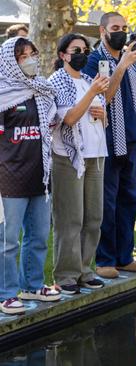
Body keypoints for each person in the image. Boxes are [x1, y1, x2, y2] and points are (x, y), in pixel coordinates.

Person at [82, 12, 136, 279]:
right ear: (102, 31)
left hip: (131, 138)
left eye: (124, 27)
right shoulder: (94, 61)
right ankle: (105, 258)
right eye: (115, 28)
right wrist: (120, 66)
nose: (121, 32)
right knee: (106, 203)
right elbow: (101, 100)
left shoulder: (133, 61)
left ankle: (125, 255)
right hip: (106, 141)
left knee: (130, 200)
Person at [0, 37, 62, 315]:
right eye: (22, 55)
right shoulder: (3, 94)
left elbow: (52, 123)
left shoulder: (43, 89)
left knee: (38, 236)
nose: (30, 59)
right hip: (9, 178)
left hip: (40, 175)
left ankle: (33, 285)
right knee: (8, 241)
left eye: (32, 53)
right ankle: (6, 293)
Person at [48, 33, 110, 295]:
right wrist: (93, 95)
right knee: (70, 218)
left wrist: (102, 112)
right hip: (68, 156)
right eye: (76, 49)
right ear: (63, 55)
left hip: (95, 154)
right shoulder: (57, 81)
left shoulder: (88, 80)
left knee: (93, 217)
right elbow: (69, 118)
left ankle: (85, 269)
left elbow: (97, 118)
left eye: (85, 49)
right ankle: (66, 274)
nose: (82, 53)